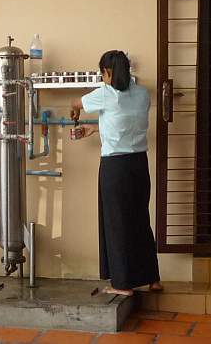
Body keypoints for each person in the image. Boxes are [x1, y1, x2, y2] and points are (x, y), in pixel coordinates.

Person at [70, 50, 163, 296]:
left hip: (115, 167)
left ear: (108, 72)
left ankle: (122, 284)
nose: (102, 77)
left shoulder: (105, 94)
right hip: (138, 165)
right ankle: (152, 278)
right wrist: (94, 129)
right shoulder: (142, 95)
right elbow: (124, 124)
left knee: (116, 223)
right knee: (140, 219)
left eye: (102, 73)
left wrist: (76, 113)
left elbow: (75, 103)